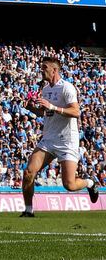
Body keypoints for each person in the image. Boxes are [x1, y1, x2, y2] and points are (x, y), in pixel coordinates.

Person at [19, 57, 99, 217]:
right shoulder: (46, 89)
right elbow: (46, 113)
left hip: (67, 140)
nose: (41, 70)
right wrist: (31, 109)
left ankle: (90, 183)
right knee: (28, 172)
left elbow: (76, 112)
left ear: (54, 70)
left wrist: (53, 106)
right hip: (49, 139)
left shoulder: (67, 88)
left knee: (69, 184)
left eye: (44, 67)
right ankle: (28, 211)